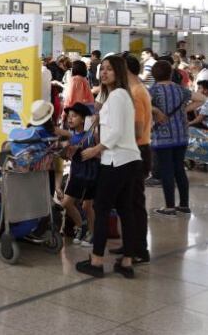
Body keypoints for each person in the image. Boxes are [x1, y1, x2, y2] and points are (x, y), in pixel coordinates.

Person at [76, 55, 142, 279]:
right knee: (126, 210)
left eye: (109, 70)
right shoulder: (122, 96)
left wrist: (96, 150)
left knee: (102, 210)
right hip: (130, 159)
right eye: (102, 69)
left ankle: (96, 261)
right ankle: (126, 261)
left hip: (115, 161)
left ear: (119, 72)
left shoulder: (117, 97)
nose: (104, 73)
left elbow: (114, 131)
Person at [105, 54, 153, 263]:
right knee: (127, 202)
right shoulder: (134, 90)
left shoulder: (134, 93)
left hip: (136, 151)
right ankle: (130, 246)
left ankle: (139, 250)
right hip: (135, 150)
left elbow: (137, 129)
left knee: (134, 203)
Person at [149, 60, 205, 216]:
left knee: (166, 170)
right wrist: (184, 109)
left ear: (154, 74)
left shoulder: (152, 91)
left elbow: (143, 105)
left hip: (162, 136)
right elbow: (201, 98)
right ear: (171, 73)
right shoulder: (180, 89)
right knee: (179, 169)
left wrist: (155, 110)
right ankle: (184, 205)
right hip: (181, 134)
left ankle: (169, 207)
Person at [59, 103, 97, 247]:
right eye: (68, 117)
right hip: (76, 174)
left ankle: (92, 234)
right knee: (66, 203)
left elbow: (99, 152)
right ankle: (82, 226)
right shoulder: (70, 136)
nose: (70, 119)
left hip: (90, 174)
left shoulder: (92, 135)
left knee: (88, 206)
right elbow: (65, 156)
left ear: (83, 119)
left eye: (74, 116)